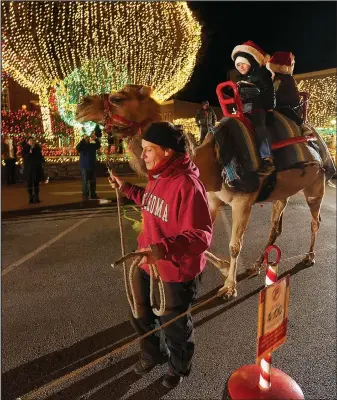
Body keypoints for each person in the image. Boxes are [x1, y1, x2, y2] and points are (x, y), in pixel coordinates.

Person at [108, 122, 213, 389]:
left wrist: (163, 248)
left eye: (148, 150)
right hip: (147, 262)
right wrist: (127, 188)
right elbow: (152, 202)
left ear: (167, 151)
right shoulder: (158, 175)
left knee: (174, 326)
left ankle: (179, 366)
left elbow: (202, 235)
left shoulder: (188, 184)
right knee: (139, 312)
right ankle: (152, 353)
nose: (142, 156)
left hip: (176, 270)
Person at [230, 40, 276, 176]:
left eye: (243, 63)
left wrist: (269, 109)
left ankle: (267, 158)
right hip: (242, 110)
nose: (240, 67)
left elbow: (269, 91)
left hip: (257, 108)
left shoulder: (261, 75)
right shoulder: (240, 79)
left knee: (259, 128)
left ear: (250, 62)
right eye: (237, 65)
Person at [266, 51, 304, 124]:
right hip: (286, 104)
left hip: (289, 107)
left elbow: (276, 91)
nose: (292, 67)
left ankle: (299, 122)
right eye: (291, 64)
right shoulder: (279, 78)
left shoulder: (282, 79)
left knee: (283, 108)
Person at [76, 131, 101, 201]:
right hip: (84, 166)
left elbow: (98, 145)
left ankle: (93, 194)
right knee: (85, 181)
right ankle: (85, 195)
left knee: (93, 181)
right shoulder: (82, 146)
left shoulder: (92, 145)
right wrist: (83, 140)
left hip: (92, 165)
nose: (87, 138)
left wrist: (95, 138)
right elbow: (77, 148)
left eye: (88, 137)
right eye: (86, 137)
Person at [21, 136, 44, 203]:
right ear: (27, 142)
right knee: (29, 184)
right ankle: (30, 197)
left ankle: (37, 197)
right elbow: (25, 157)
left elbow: (40, 156)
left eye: (32, 140)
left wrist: (41, 161)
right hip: (29, 169)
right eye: (30, 141)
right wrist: (29, 152)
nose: (31, 142)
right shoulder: (25, 149)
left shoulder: (37, 148)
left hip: (36, 168)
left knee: (36, 183)